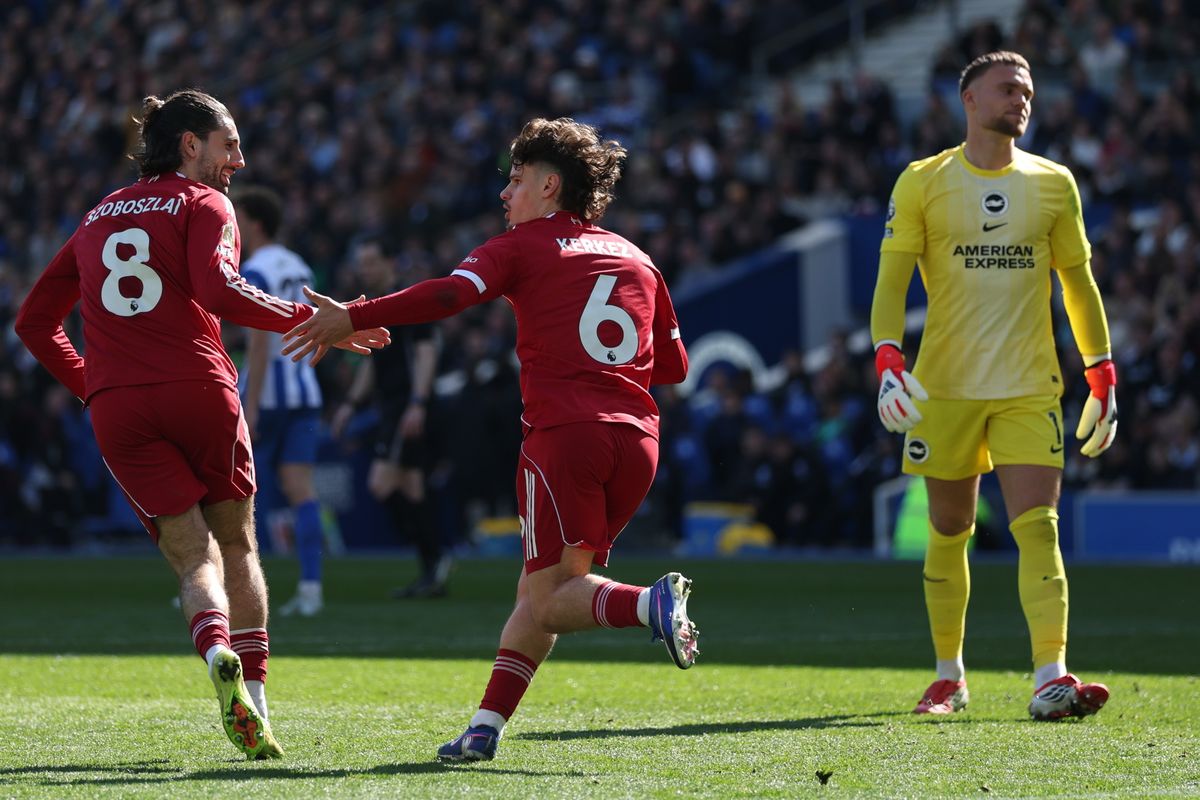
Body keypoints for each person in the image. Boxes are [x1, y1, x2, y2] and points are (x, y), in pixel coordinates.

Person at [283, 117, 698, 761]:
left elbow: (451, 294)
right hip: (638, 443)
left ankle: (650, 603)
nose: (505, 194)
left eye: (516, 179)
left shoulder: (522, 247)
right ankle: (485, 729)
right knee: (539, 596)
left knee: (555, 599)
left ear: (550, 185)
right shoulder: (638, 258)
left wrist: (353, 315)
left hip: (565, 439)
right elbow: (675, 368)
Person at [14, 89, 388, 759]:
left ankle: (215, 647)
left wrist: (93, 385)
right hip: (198, 387)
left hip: (121, 408)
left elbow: (33, 323)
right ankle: (260, 702)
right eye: (230, 145)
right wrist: (314, 322)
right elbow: (218, 291)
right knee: (237, 546)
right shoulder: (204, 203)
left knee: (192, 561)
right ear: (191, 144)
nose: (238, 161)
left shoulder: (97, 216)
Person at [870, 52, 1119, 721]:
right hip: (943, 387)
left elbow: (1078, 282)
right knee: (949, 530)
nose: (1023, 99)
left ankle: (1051, 677)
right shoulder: (922, 182)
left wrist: (1101, 368)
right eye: (1008, 89)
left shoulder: (1054, 183)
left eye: (1029, 91)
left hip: (1028, 385)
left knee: (1039, 526)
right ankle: (949, 676)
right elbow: (892, 281)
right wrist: (888, 361)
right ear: (970, 100)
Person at [329, 237, 447, 598]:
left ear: (391, 262)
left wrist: (418, 402)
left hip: (406, 407)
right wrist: (350, 403)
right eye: (362, 264)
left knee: (381, 485)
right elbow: (373, 365)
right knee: (411, 486)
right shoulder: (377, 308)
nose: (367, 270)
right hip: (390, 406)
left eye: (372, 262)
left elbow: (427, 353)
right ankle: (433, 569)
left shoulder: (409, 301)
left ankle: (436, 558)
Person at [234, 185, 328, 617]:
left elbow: (257, 339)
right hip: (304, 390)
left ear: (253, 222)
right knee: (301, 491)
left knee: (230, 493)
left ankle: (218, 587)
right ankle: (311, 589)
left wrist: (249, 405)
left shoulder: (256, 268)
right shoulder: (300, 265)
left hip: (266, 394)